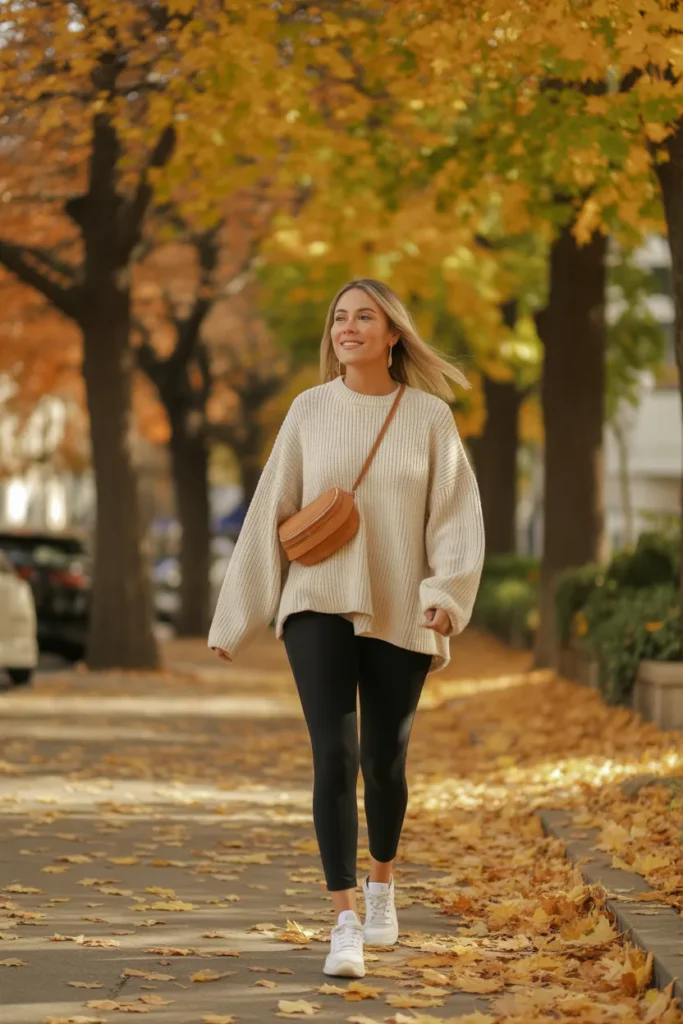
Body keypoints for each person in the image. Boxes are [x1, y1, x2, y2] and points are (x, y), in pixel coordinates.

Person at [209, 278, 485, 979]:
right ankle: (343, 921)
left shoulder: (427, 418)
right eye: (339, 317)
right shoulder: (308, 410)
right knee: (332, 754)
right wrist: (234, 616)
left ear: (393, 334)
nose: (348, 327)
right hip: (317, 602)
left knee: (382, 762)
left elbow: (453, 517)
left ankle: (382, 883)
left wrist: (444, 595)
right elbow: (272, 510)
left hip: (401, 606)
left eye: (364, 317)